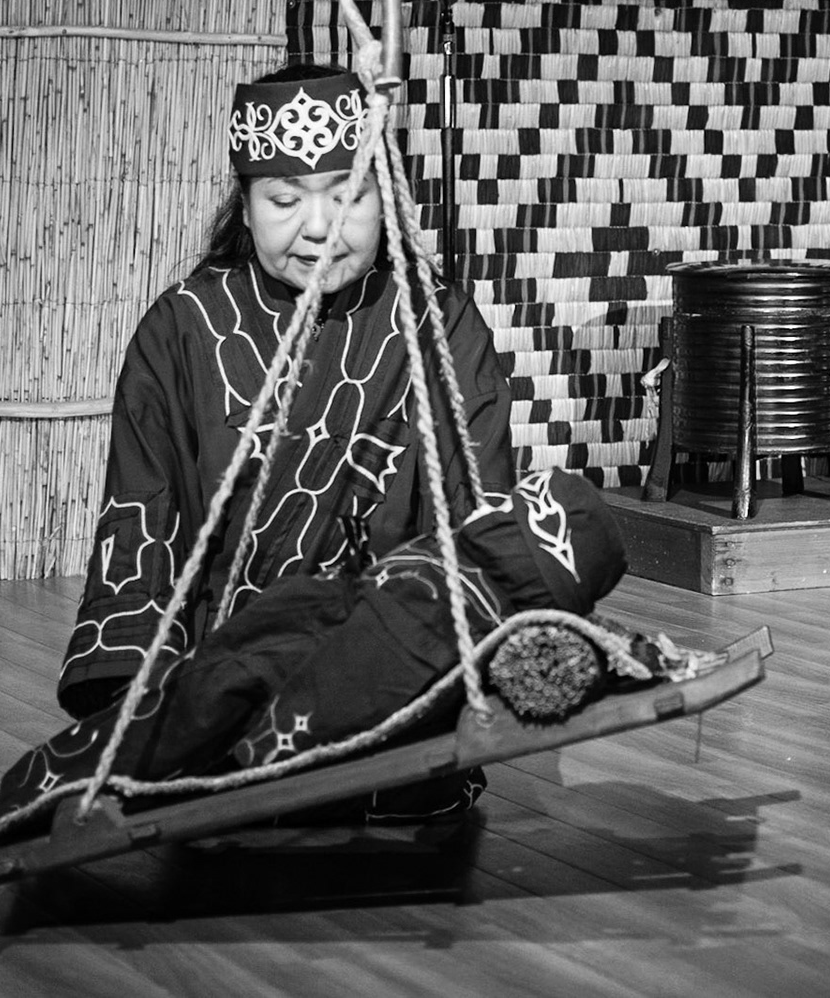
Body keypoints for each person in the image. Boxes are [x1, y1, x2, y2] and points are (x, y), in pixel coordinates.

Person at [56, 63, 517, 721]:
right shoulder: (184, 327)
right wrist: (134, 682)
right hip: (216, 682)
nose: (320, 226)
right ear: (244, 206)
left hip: (392, 681)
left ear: (385, 198)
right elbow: (142, 505)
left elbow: (481, 497)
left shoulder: (436, 322)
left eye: (349, 195)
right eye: (284, 199)